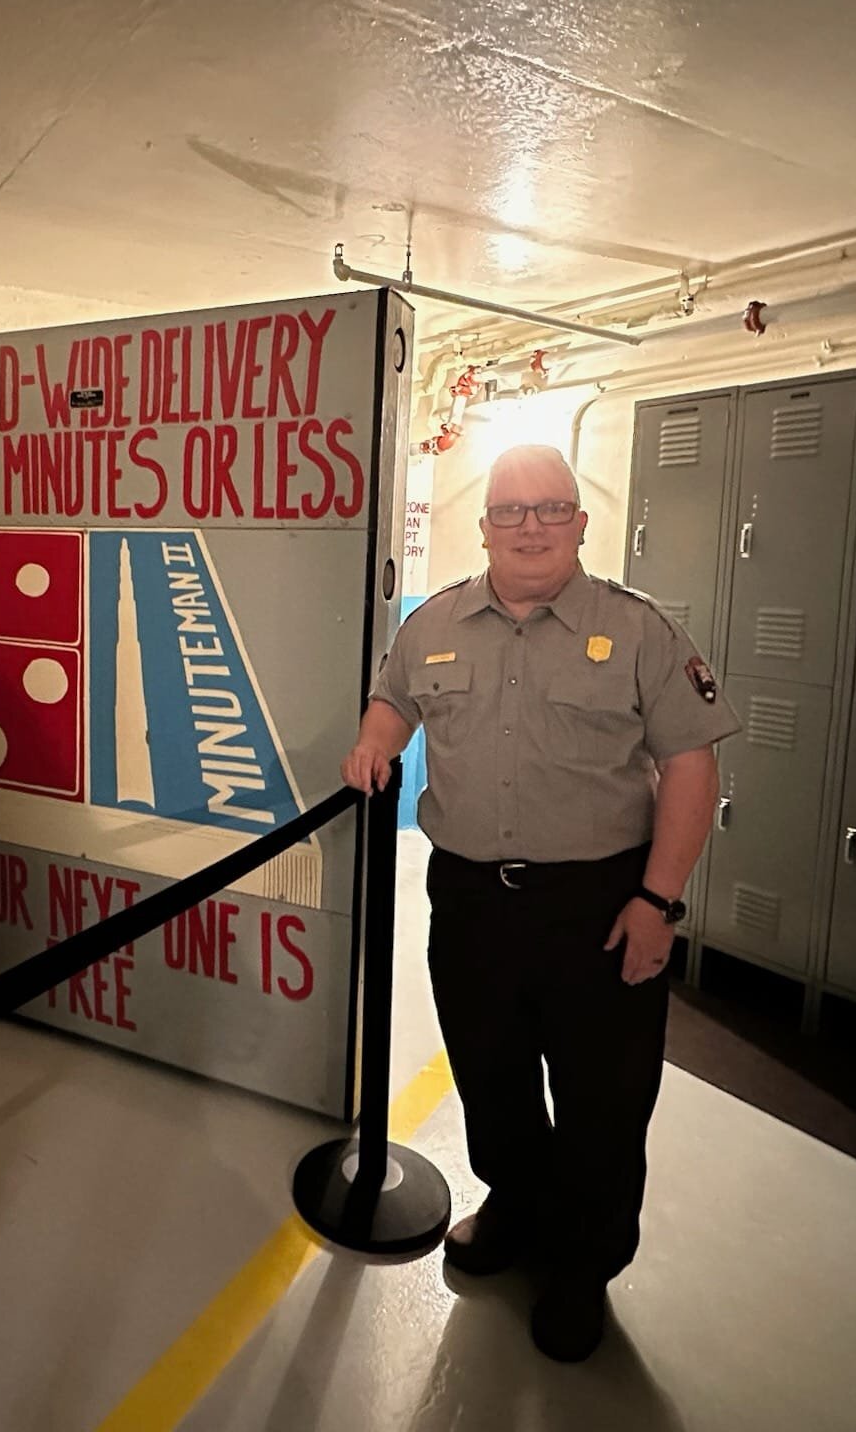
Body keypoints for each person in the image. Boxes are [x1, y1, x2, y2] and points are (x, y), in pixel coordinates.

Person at [341, 442, 739, 1363]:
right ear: (484, 527)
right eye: (510, 511)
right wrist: (373, 742)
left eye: (551, 508)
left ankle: (583, 1267)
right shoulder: (433, 624)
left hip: (599, 903)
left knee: (605, 1098)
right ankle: (516, 1205)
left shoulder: (640, 631)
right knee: (492, 1074)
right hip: (472, 902)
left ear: (580, 522)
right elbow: (393, 697)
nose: (530, 527)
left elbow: (691, 766)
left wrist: (658, 902)